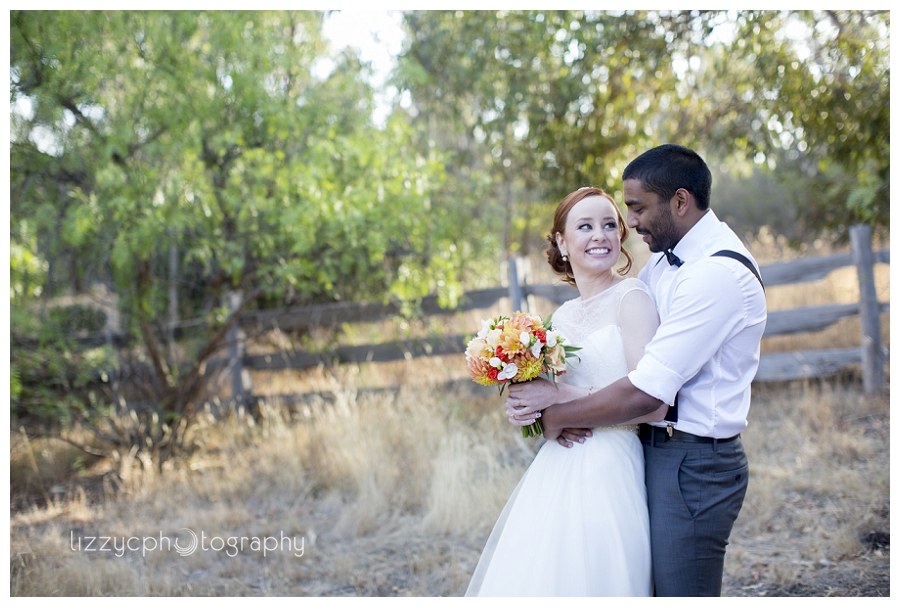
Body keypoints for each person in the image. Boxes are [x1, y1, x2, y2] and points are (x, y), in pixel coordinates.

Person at [506, 144, 767, 596]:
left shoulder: (716, 275)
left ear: (680, 202)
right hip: (647, 449)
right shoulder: (664, 265)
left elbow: (649, 395)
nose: (629, 224)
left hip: (694, 459)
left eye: (635, 210)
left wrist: (555, 415)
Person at [465, 187, 668, 597]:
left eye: (610, 225)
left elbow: (652, 403)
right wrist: (529, 411)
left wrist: (558, 400)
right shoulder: (561, 317)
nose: (601, 235)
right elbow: (552, 394)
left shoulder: (633, 298)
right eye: (585, 226)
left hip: (611, 464)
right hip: (558, 469)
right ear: (561, 241)